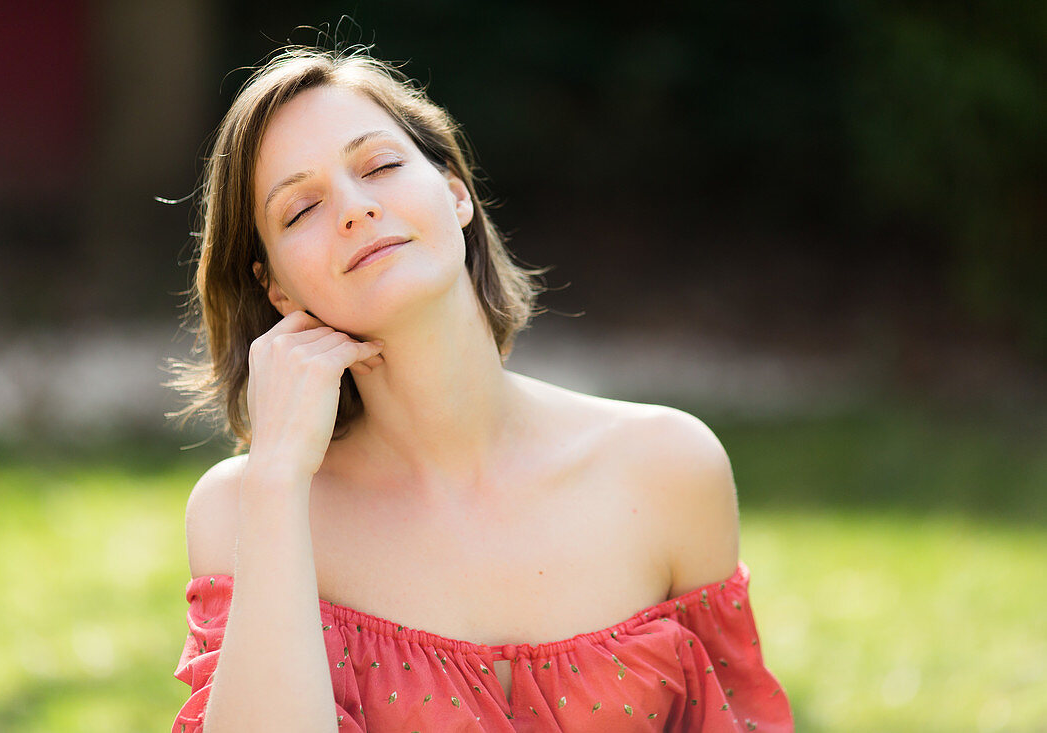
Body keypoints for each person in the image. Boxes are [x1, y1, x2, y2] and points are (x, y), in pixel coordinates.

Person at [164, 43, 793, 733]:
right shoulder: (243, 509)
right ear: (275, 286)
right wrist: (279, 477)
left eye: (380, 165)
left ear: (455, 191)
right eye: (299, 209)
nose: (353, 208)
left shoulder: (669, 469)